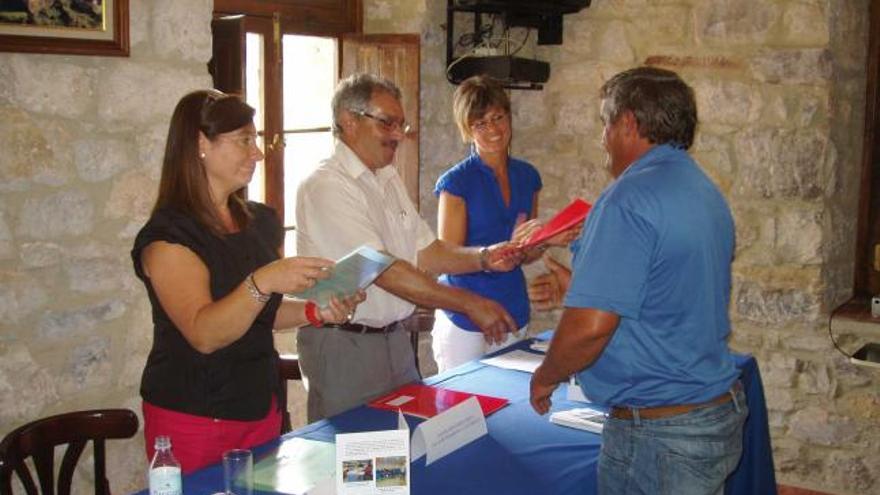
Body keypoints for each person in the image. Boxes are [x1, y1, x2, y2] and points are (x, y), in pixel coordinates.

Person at [529, 67, 748, 495]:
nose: (603, 140)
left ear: (628, 122)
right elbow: (669, 297)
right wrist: (581, 289)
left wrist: (547, 374)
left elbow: (591, 329)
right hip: (707, 413)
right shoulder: (703, 191)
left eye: (605, 124)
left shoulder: (627, 199)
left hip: (660, 431)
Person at [131, 89, 364, 473]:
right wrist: (265, 278)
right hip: (196, 414)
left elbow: (257, 313)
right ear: (199, 144)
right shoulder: (168, 238)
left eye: (255, 140)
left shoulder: (256, 221)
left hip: (258, 404)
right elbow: (204, 334)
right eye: (243, 140)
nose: (256, 153)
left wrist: (316, 310)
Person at [295, 73, 522, 421]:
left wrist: (487, 257)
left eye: (401, 124)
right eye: (387, 123)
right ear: (349, 121)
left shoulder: (386, 177)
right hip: (345, 344)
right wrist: (468, 302)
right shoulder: (326, 186)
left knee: (404, 455)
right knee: (353, 462)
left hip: (394, 341)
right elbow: (382, 269)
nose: (398, 135)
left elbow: (426, 251)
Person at [431, 75, 577, 372]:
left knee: (509, 406)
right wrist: (494, 254)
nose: (493, 130)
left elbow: (527, 253)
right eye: (480, 124)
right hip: (464, 315)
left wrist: (544, 239)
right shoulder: (456, 183)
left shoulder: (528, 176)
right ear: (467, 130)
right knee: (462, 409)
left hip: (512, 307)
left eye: (498, 118)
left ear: (509, 118)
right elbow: (447, 260)